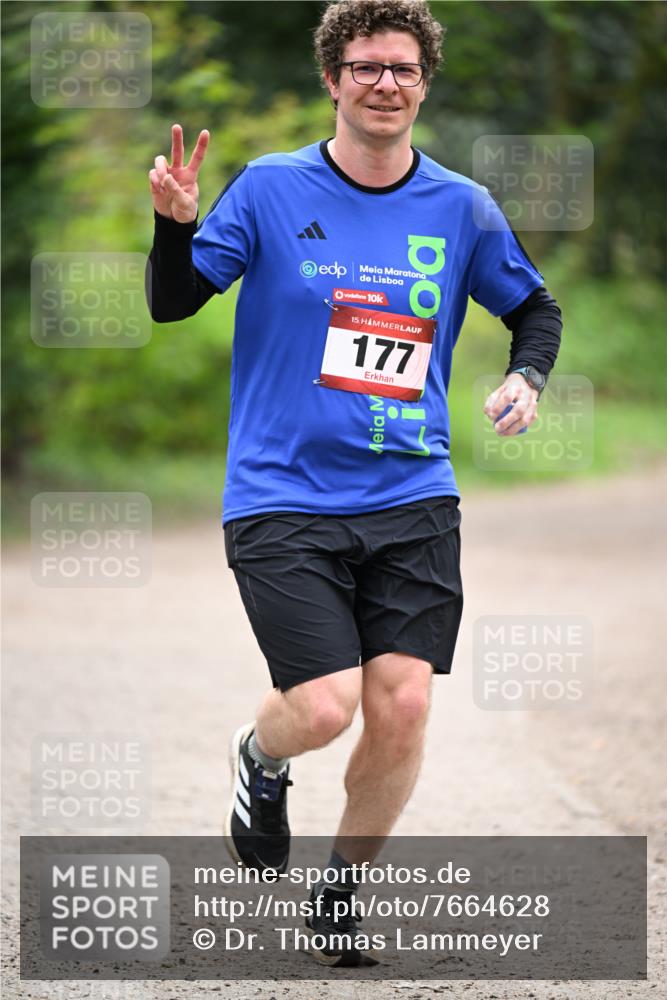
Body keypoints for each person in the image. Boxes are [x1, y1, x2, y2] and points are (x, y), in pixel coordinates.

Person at [146, 0, 562, 967]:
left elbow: (533, 308)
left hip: (412, 491)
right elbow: (173, 302)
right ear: (332, 80)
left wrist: (526, 377)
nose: (385, 84)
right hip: (281, 493)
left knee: (403, 703)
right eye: (366, 67)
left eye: (403, 69)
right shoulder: (269, 188)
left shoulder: (460, 205)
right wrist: (173, 228)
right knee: (325, 706)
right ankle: (260, 757)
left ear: (424, 83)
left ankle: (340, 893)